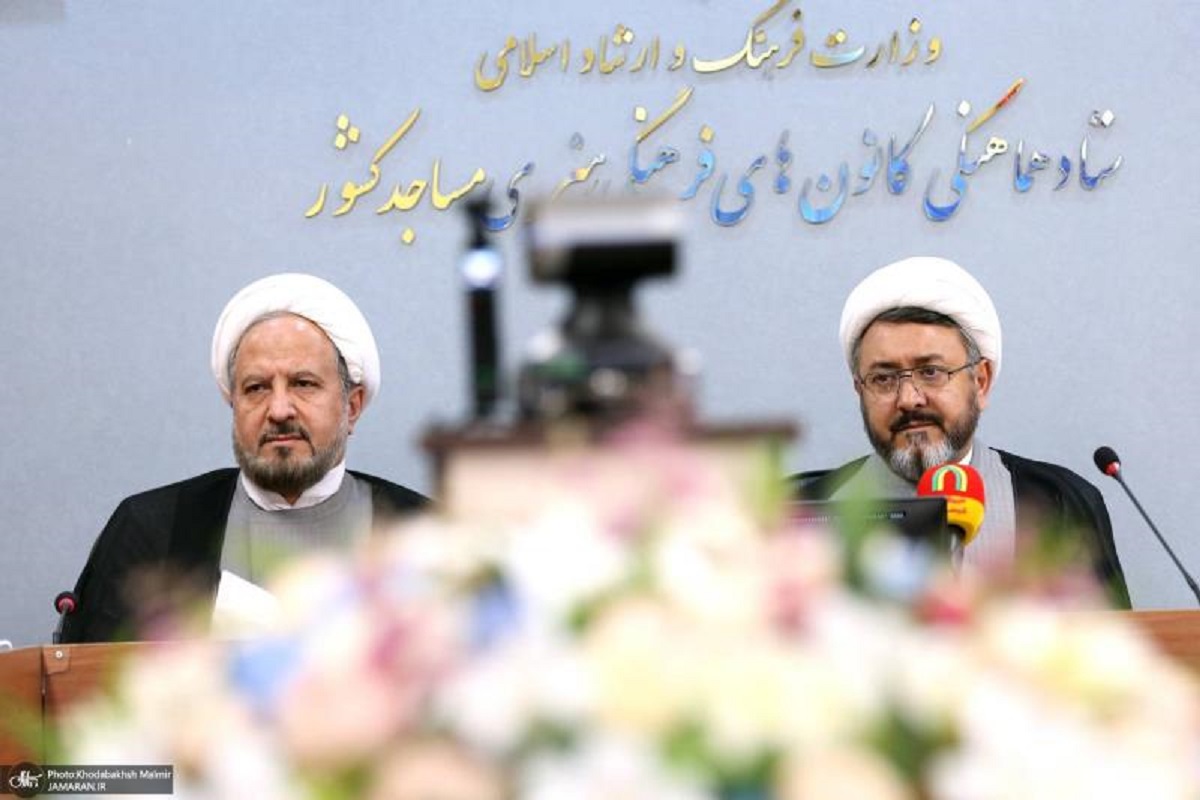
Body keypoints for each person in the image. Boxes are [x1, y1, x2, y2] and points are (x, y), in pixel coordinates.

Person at [62, 273, 428, 642]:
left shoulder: (423, 534)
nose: (279, 410)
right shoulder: (152, 529)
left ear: (352, 406)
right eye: (257, 388)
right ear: (234, 404)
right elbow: (96, 673)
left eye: (303, 384)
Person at [792, 256, 1130, 607]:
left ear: (980, 382)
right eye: (883, 379)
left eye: (931, 372)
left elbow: (1108, 638)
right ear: (859, 391)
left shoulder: (1058, 501)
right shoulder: (796, 509)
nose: (908, 399)